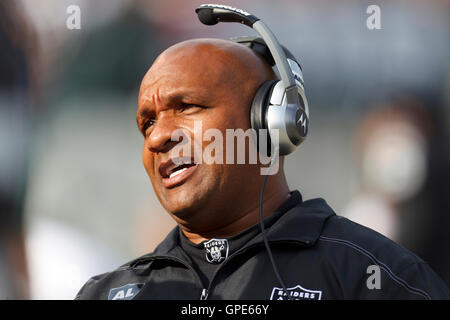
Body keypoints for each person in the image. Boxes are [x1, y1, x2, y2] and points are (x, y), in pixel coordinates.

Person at [75, 36, 449, 300]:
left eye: (187, 106)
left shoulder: (376, 277)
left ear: (270, 124)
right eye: (147, 123)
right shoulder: (105, 293)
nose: (158, 137)